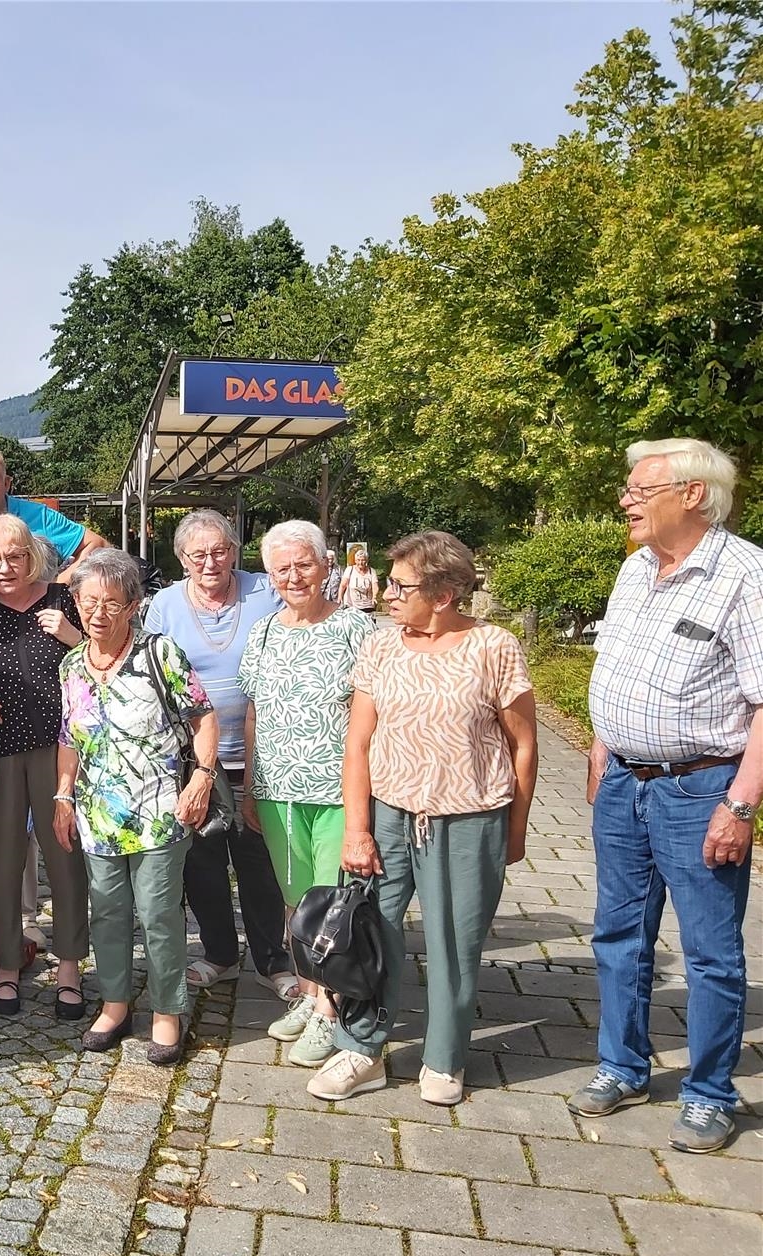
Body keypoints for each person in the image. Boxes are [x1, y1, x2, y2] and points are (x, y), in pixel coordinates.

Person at [573, 438, 761, 1154]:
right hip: (624, 780)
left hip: (702, 787)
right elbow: (614, 667)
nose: (625, 498)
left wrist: (741, 804)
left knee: (711, 952)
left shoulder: (746, 575)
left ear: (691, 494)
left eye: (638, 488)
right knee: (618, 934)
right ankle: (622, 1066)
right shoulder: (635, 568)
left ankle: (710, 1093)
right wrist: (599, 750)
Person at [308, 531, 537, 1107]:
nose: (386, 593)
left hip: (468, 819)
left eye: (400, 585)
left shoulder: (494, 646)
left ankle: (444, 1058)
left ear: (443, 593)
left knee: (455, 943)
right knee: (367, 937)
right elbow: (357, 743)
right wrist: (356, 829)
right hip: (386, 814)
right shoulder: (381, 648)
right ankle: (361, 1050)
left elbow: (524, 746)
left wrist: (515, 830)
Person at [55, 548, 217, 1064]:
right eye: (88, 602)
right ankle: (116, 1003)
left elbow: (203, 717)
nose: (98, 613)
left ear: (133, 606)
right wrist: (63, 795)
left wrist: (203, 779)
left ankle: (168, 1012)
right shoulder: (72, 664)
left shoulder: (159, 653)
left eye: (111, 603)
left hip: (160, 807)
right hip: (98, 812)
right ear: (76, 602)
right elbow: (69, 737)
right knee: (106, 912)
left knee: (157, 913)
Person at [238, 521, 374, 1067]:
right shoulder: (265, 632)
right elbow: (252, 711)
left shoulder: (355, 630)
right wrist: (249, 783)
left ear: (326, 567)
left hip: (338, 790)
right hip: (277, 790)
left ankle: (330, 1011)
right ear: (270, 576)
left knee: (332, 903)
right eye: (282, 568)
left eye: (304, 564)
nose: (294, 576)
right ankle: (309, 990)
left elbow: (373, 715)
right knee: (295, 900)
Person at [144, 510, 296, 999]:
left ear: (234, 550)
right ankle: (219, 955)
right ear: (182, 559)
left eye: (220, 551)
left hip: (261, 753)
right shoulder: (165, 605)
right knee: (203, 863)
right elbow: (150, 670)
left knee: (260, 861)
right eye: (197, 554)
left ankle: (273, 959)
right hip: (191, 759)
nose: (210, 562)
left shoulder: (263, 591)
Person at [0, 515, 90, 1018]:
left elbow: (109, 659)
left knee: (65, 857)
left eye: (15, 556)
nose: (5, 567)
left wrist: (72, 637)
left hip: (60, 748)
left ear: (32, 556)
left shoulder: (64, 601)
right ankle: (6, 965)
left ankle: (68, 966)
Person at [0, 445, 107, 593]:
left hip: (27, 627)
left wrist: (56, 587)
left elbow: (97, 545)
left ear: (7, 483)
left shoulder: (39, 516)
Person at [339, 546, 379, 613]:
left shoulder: (372, 571)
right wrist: (340, 597)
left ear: (366, 560)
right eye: (358, 560)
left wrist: (374, 597)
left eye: (363, 560)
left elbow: (375, 586)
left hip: (368, 605)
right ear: (355, 561)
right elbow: (343, 585)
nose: (360, 562)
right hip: (352, 605)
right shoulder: (349, 570)